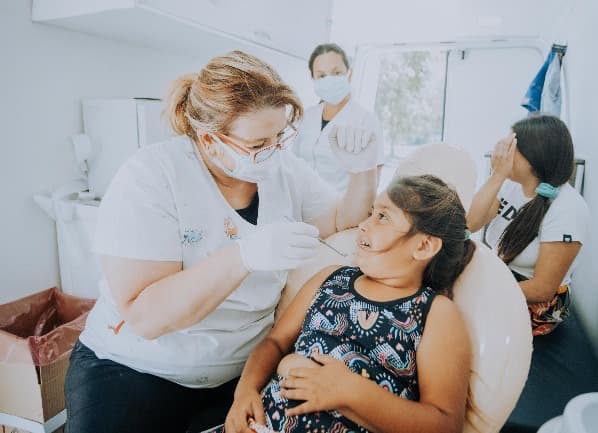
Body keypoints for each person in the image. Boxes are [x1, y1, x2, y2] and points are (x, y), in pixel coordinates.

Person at [64, 50, 379, 433]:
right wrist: (243, 256)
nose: (274, 151)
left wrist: (363, 172)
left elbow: (340, 219)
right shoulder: (151, 177)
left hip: (234, 374)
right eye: (260, 142)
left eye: (280, 136)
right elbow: (146, 317)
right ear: (210, 140)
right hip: (132, 368)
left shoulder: (285, 170)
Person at [223, 175, 475, 433]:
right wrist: (245, 391)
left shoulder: (434, 312)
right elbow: (275, 343)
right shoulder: (331, 278)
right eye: (370, 213)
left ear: (423, 246)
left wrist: (350, 392)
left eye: (383, 217)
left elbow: (445, 423)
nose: (363, 225)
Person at [467, 114, 589, 336]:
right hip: (502, 278)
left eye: (510, 148)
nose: (503, 154)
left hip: (536, 305)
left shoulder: (569, 207)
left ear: (534, 157)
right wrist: (496, 177)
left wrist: (479, 292)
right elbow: (470, 224)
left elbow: (542, 289)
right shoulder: (509, 186)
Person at [292, 43, 385, 191]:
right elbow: (293, 162)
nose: (329, 80)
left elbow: (371, 184)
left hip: (340, 209)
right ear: (313, 78)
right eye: (321, 75)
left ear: (350, 73)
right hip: (301, 203)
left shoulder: (366, 121)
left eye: (336, 73)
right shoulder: (307, 116)